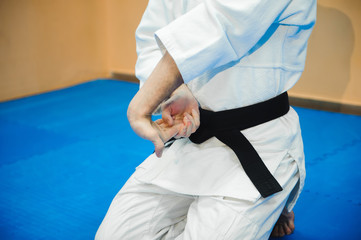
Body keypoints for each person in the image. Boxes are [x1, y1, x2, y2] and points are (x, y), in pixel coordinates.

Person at [95, 0, 316, 239]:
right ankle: (263, 210)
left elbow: (222, 24)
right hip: (189, 139)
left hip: (260, 142)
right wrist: (174, 91)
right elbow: (152, 37)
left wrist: (143, 104)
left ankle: (277, 200)